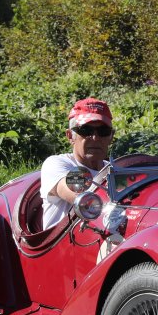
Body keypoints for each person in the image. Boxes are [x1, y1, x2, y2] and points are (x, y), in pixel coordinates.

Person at [40, 97, 115, 228]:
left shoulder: (115, 169)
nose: (95, 138)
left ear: (111, 136)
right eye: (86, 130)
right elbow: (78, 195)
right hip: (66, 239)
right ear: (70, 136)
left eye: (103, 131)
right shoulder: (57, 164)